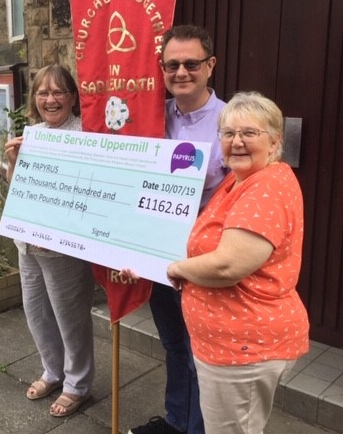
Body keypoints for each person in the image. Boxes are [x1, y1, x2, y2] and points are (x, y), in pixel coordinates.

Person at [165, 91, 310, 433]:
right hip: (232, 345)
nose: (237, 142)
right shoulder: (242, 177)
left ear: (275, 142)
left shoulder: (265, 189)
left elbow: (228, 266)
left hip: (243, 348)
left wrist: (178, 269)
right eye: (228, 134)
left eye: (249, 133)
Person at [128, 25, 227, 434]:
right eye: (172, 64)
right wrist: (41, 148)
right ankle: (175, 421)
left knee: (197, 353)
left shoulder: (231, 122)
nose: (181, 71)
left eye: (191, 63)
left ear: (210, 66)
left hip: (204, 260)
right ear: (162, 68)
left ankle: (197, 428)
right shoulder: (151, 117)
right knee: (172, 345)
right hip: (159, 256)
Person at [4, 65, 95, 418]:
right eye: (43, 92)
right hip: (27, 242)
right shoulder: (34, 134)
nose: (50, 99)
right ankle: (53, 371)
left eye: (58, 92)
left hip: (62, 247)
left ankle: (78, 384)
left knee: (70, 317)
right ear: (35, 100)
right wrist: (14, 162)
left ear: (73, 97)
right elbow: (18, 191)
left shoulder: (85, 134)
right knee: (37, 313)